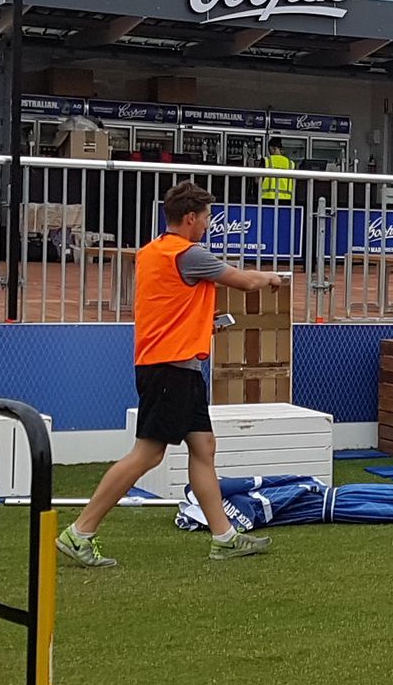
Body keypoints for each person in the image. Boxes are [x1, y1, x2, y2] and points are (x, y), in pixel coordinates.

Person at [58, 181, 287, 567]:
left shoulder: (151, 253)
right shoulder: (189, 254)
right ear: (190, 218)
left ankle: (224, 537)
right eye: (207, 218)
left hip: (174, 366)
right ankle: (80, 532)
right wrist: (272, 278)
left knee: (203, 448)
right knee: (147, 454)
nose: (208, 226)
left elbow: (170, 306)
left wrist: (201, 323)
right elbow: (246, 282)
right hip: (170, 370)